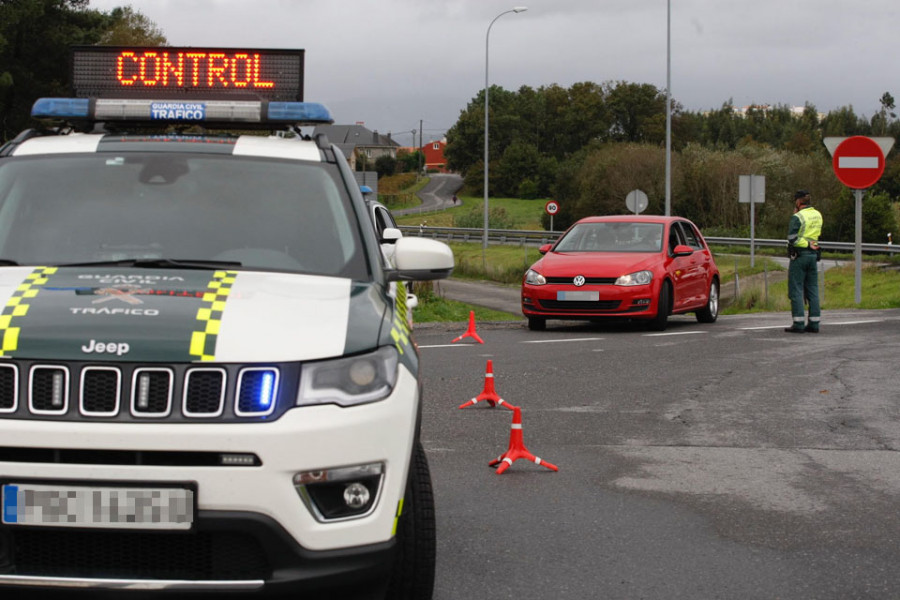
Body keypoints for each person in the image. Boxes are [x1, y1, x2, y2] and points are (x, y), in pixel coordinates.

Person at [785, 190, 823, 333]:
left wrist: (805, 244)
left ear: (798, 202)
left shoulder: (798, 217)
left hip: (800, 256)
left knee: (796, 289)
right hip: (813, 256)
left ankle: (798, 323)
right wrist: (811, 245)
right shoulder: (818, 215)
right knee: (812, 289)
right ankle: (814, 323)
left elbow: (792, 239)